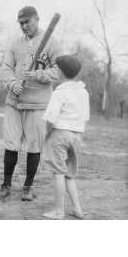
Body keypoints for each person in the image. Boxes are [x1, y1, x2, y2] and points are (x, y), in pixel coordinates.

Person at [0, 6, 63, 200]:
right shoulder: (16, 44)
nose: (24, 26)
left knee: (34, 146)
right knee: (11, 144)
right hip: (14, 102)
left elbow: (59, 72)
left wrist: (38, 74)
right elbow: (6, 68)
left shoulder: (52, 43)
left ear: (37, 19)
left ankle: (28, 186)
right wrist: (11, 83)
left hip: (38, 104)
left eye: (28, 22)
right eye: (21, 23)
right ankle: (6, 184)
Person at [42, 54, 90, 220]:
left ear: (61, 73)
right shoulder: (83, 92)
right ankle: (78, 209)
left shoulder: (59, 92)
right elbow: (85, 117)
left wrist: (46, 135)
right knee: (69, 173)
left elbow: (50, 118)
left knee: (58, 172)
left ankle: (59, 211)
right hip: (77, 135)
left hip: (60, 134)